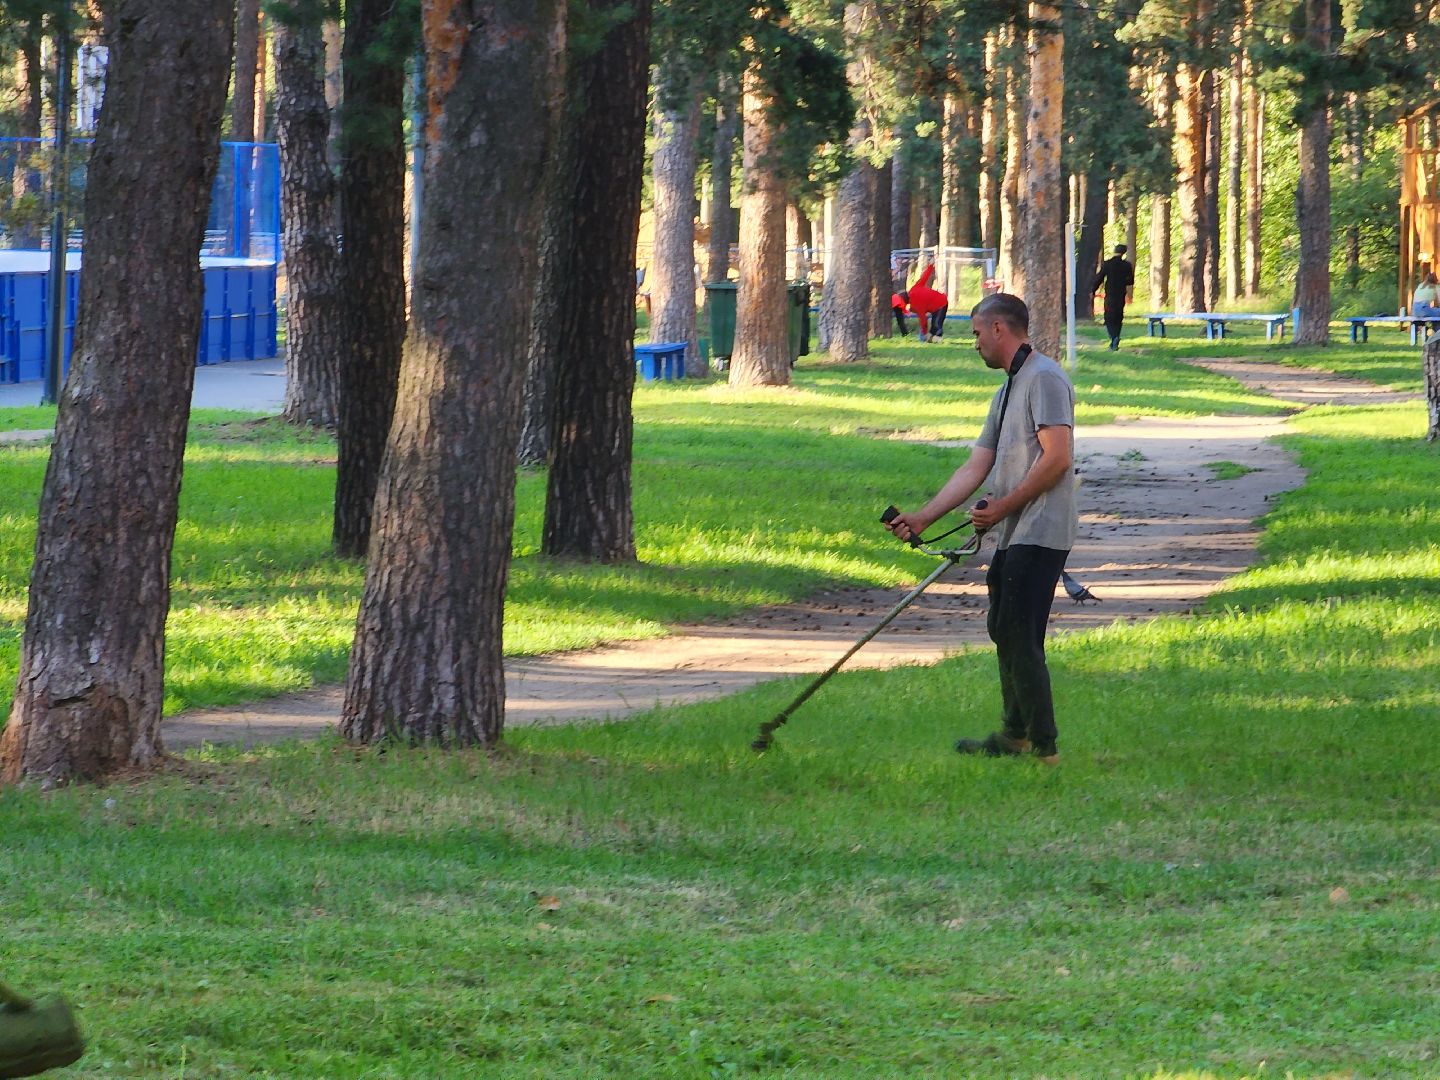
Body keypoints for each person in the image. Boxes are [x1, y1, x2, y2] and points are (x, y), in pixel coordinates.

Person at [884, 293, 1077, 764]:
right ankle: (1015, 736)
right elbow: (977, 465)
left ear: (998, 329)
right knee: (1002, 627)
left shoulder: (1045, 379)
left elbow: (1059, 459)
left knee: (1019, 633)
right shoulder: (1008, 388)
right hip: (1013, 528)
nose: (974, 344)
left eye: (975, 333)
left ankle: (1044, 749)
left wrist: (1003, 506)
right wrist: (925, 516)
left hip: (1042, 527)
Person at [1091, 243, 1135, 351]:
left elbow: (1099, 278)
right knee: (1118, 317)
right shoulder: (1127, 265)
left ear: (1114, 251)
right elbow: (1130, 281)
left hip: (1110, 294)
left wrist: (1092, 290)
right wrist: (1123, 280)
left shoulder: (1107, 264)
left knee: (1109, 317)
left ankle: (1113, 337)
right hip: (1121, 294)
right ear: (1123, 253)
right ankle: (1116, 338)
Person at [905, 262, 950, 342]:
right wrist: (930, 267)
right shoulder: (914, 288)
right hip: (939, 300)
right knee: (935, 324)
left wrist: (925, 332)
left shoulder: (916, 305)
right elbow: (924, 278)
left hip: (941, 303)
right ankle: (932, 337)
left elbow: (923, 319)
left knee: (937, 324)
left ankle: (937, 338)